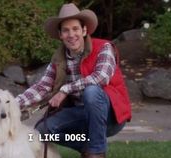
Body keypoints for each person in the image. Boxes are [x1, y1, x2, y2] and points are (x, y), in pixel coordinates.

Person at [16, 3, 131, 158]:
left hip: (110, 117)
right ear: (60, 35)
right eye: (66, 30)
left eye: (75, 29)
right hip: (80, 114)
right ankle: (86, 146)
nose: (71, 34)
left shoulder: (103, 47)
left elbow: (102, 77)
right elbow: (42, 86)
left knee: (91, 92)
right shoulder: (58, 59)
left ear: (84, 30)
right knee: (41, 131)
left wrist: (65, 89)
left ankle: (97, 153)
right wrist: (12, 104)